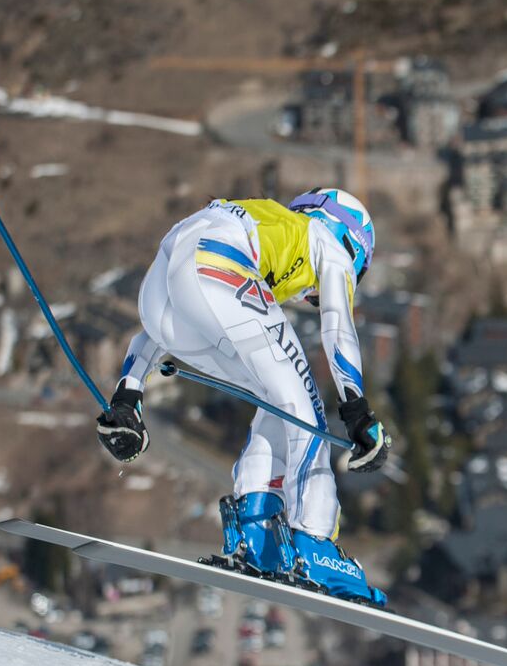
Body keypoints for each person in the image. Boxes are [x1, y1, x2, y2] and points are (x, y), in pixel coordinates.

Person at [94, 189, 392, 605]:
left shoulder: (275, 224)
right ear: (354, 247)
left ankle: (258, 528)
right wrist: (358, 411)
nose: (317, 296)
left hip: (166, 276)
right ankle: (315, 542)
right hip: (220, 265)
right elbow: (338, 328)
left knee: (276, 395)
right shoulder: (328, 241)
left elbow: (155, 334)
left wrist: (128, 395)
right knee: (303, 405)